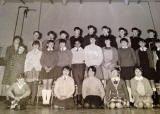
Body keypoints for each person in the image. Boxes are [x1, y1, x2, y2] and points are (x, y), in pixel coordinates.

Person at [118, 38, 137, 103]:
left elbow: (134, 58)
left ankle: (133, 97)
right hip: (123, 68)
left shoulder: (131, 49)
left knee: (131, 82)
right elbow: (119, 59)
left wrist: (134, 66)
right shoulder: (119, 50)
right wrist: (119, 66)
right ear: (121, 43)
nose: (123, 43)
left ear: (127, 43)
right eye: (122, 42)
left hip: (131, 68)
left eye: (125, 42)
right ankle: (127, 97)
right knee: (125, 83)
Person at [39, 40, 58, 105]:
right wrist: (45, 67)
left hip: (52, 69)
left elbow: (56, 61)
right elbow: (41, 60)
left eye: (52, 44)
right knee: (45, 85)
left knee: (49, 85)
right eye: (50, 44)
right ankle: (44, 101)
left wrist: (50, 68)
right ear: (47, 44)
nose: (51, 45)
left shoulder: (55, 52)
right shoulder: (44, 51)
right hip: (44, 69)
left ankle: (48, 100)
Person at [24, 40, 42, 105]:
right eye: (34, 45)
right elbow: (26, 62)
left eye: (37, 45)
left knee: (35, 85)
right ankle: (26, 99)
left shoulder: (41, 53)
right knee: (29, 86)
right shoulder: (29, 53)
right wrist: (25, 71)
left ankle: (32, 100)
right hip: (29, 70)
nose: (35, 46)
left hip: (37, 70)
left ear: (39, 46)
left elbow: (41, 63)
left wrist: (39, 69)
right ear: (32, 46)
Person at [71, 39, 85, 107]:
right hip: (74, 66)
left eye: (78, 43)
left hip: (81, 66)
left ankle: (80, 97)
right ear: (74, 44)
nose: (77, 44)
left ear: (80, 44)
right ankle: (78, 99)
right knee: (77, 82)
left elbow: (84, 59)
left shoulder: (83, 50)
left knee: (80, 81)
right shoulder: (72, 50)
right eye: (75, 43)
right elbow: (71, 59)